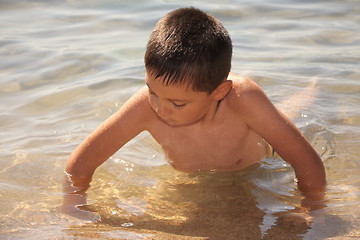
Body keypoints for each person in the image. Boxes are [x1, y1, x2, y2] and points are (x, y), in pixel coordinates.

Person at [63, 7, 326, 218]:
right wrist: (73, 207)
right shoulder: (146, 106)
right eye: (151, 90)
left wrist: (313, 210)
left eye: (177, 104)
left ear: (219, 93)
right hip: (201, 173)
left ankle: (313, 86)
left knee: (286, 115)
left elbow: (307, 162)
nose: (160, 108)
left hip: (258, 165)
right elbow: (81, 163)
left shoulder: (241, 99)